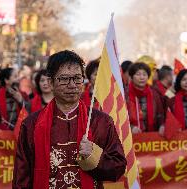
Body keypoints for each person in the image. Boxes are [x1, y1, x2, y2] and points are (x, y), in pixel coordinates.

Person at [13, 50, 127, 189]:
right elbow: (21, 177)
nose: (72, 85)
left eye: (77, 78)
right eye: (64, 79)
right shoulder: (32, 124)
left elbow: (118, 168)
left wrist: (94, 155)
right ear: (51, 82)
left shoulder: (100, 122)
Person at [126, 62, 165, 134]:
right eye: (138, 74)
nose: (142, 77)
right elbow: (121, 116)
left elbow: (160, 114)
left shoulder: (154, 93)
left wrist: (162, 125)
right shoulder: (125, 94)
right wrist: (130, 127)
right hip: (131, 136)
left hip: (151, 136)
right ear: (131, 76)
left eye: (144, 74)